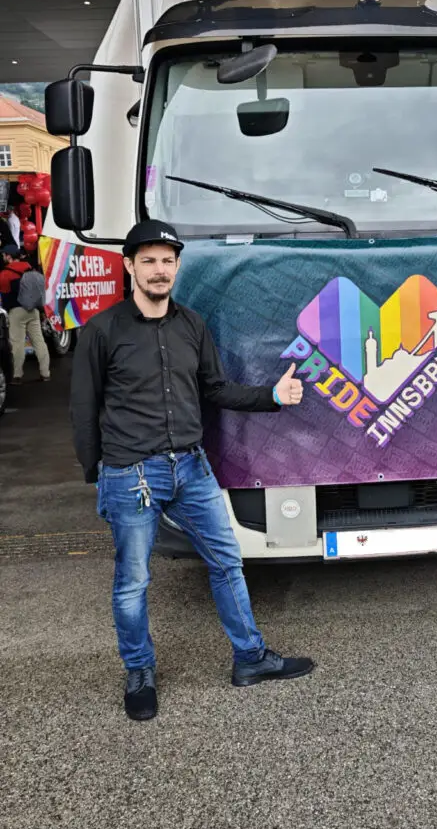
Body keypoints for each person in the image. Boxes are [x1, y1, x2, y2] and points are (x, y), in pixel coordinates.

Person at [70, 219, 314, 722]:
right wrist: (98, 474)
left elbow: (215, 389)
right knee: (133, 581)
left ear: (178, 267)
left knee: (227, 563)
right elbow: (83, 408)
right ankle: (139, 671)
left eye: (167, 261)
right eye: (148, 261)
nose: (159, 270)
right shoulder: (101, 331)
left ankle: (250, 658)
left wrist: (272, 395)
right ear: (129, 266)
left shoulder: (192, 325)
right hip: (131, 475)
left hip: (191, 468)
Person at [0, 250, 50, 383]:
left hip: (16, 311)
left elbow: (4, 293)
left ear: (9, 257)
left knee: (17, 344)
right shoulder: (30, 269)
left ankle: (17, 376)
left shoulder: (5, 273)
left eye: (4, 255)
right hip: (33, 310)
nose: (3, 257)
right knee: (39, 341)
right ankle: (45, 373)